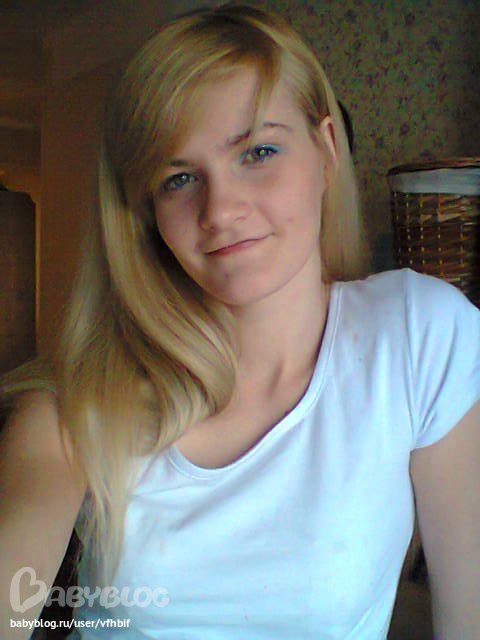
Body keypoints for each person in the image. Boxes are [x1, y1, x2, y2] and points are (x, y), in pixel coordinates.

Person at [1, 4, 479, 639]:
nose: (220, 209)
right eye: (179, 178)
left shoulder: (420, 336)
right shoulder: (73, 410)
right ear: (147, 212)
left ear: (326, 151)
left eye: (258, 150)